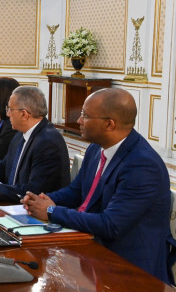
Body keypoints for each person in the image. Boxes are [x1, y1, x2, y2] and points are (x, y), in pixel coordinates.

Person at [22, 88, 172, 284]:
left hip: (128, 269)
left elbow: (111, 225)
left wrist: (51, 211)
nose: (79, 121)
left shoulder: (142, 165)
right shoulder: (96, 148)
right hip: (89, 249)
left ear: (109, 124)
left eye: (85, 115)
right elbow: (76, 191)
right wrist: (40, 201)